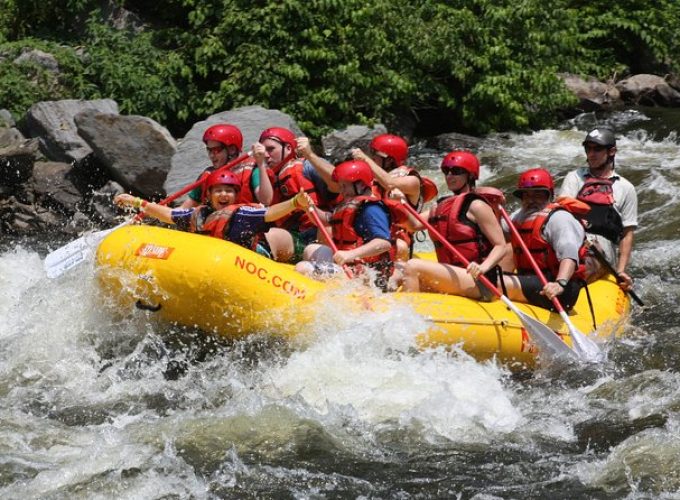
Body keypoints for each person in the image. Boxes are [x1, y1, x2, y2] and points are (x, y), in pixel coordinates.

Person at [115, 170, 310, 260]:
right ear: (208, 195)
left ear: (235, 195)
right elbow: (168, 214)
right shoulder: (198, 215)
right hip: (215, 260)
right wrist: (139, 203)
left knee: (285, 241)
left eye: (229, 191)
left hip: (254, 259)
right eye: (218, 190)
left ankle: (307, 254)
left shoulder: (242, 214)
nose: (224, 195)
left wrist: (294, 203)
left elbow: (270, 213)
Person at [400, 151, 508, 299]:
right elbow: (414, 225)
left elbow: (501, 245)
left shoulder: (477, 205)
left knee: (413, 266)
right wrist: (401, 202)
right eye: (446, 171)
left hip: (480, 280)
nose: (449, 176)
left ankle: (408, 316)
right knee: (398, 274)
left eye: (456, 171)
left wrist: (483, 267)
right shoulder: (440, 206)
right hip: (454, 274)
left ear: (470, 176)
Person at [295, 160, 394, 289]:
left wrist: (350, 255)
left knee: (301, 268)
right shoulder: (349, 204)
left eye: (344, 186)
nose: (341, 191)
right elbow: (326, 219)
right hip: (349, 266)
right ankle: (323, 284)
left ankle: (321, 284)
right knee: (311, 249)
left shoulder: (371, 209)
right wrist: (309, 207)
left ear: (360, 185)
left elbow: (384, 243)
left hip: (366, 275)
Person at [560, 127, 638, 290]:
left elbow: (627, 234)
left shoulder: (626, 188)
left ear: (612, 151)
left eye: (597, 149)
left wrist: (621, 270)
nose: (591, 153)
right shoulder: (574, 177)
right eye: (588, 149)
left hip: (601, 248)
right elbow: (561, 212)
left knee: (586, 260)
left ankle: (564, 286)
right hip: (571, 239)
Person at [502, 168, 588, 310]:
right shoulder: (519, 216)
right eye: (526, 195)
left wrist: (560, 283)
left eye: (538, 195)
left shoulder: (559, 218)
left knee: (496, 282)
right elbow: (497, 235)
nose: (531, 200)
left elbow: (569, 255)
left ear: (549, 195)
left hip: (556, 289)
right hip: (530, 280)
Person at [351, 134, 438, 260]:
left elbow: (390, 183)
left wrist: (364, 159)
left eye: (375, 153)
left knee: (400, 245)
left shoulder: (412, 180)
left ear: (390, 160)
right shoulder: (371, 179)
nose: (372, 156)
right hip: (371, 235)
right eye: (371, 152)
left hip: (397, 242)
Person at [181, 123, 274, 207]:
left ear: (232, 150)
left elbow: (266, 200)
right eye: (209, 150)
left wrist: (261, 164)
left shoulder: (252, 170)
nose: (211, 155)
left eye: (216, 150)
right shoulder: (207, 175)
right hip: (214, 223)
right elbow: (185, 208)